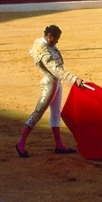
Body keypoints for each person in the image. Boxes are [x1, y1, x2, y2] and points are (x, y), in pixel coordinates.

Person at [16, 25, 84, 158]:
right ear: (49, 36)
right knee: (38, 112)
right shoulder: (43, 51)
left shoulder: (44, 43)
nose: (57, 42)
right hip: (49, 83)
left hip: (56, 82)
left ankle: (59, 144)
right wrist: (74, 79)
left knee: (55, 113)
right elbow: (56, 70)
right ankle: (20, 143)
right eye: (56, 39)